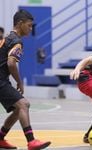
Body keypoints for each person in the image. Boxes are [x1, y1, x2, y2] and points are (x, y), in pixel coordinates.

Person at [0, 10, 51, 149]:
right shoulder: (17, 41)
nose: (30, 28)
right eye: (29, 25)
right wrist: (19, 82)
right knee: (24, 104)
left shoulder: (6, 38)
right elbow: (11, 63)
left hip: (2, 80)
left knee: (18, 109)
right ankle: (31, 141)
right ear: (20, 23)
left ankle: (0, 137)